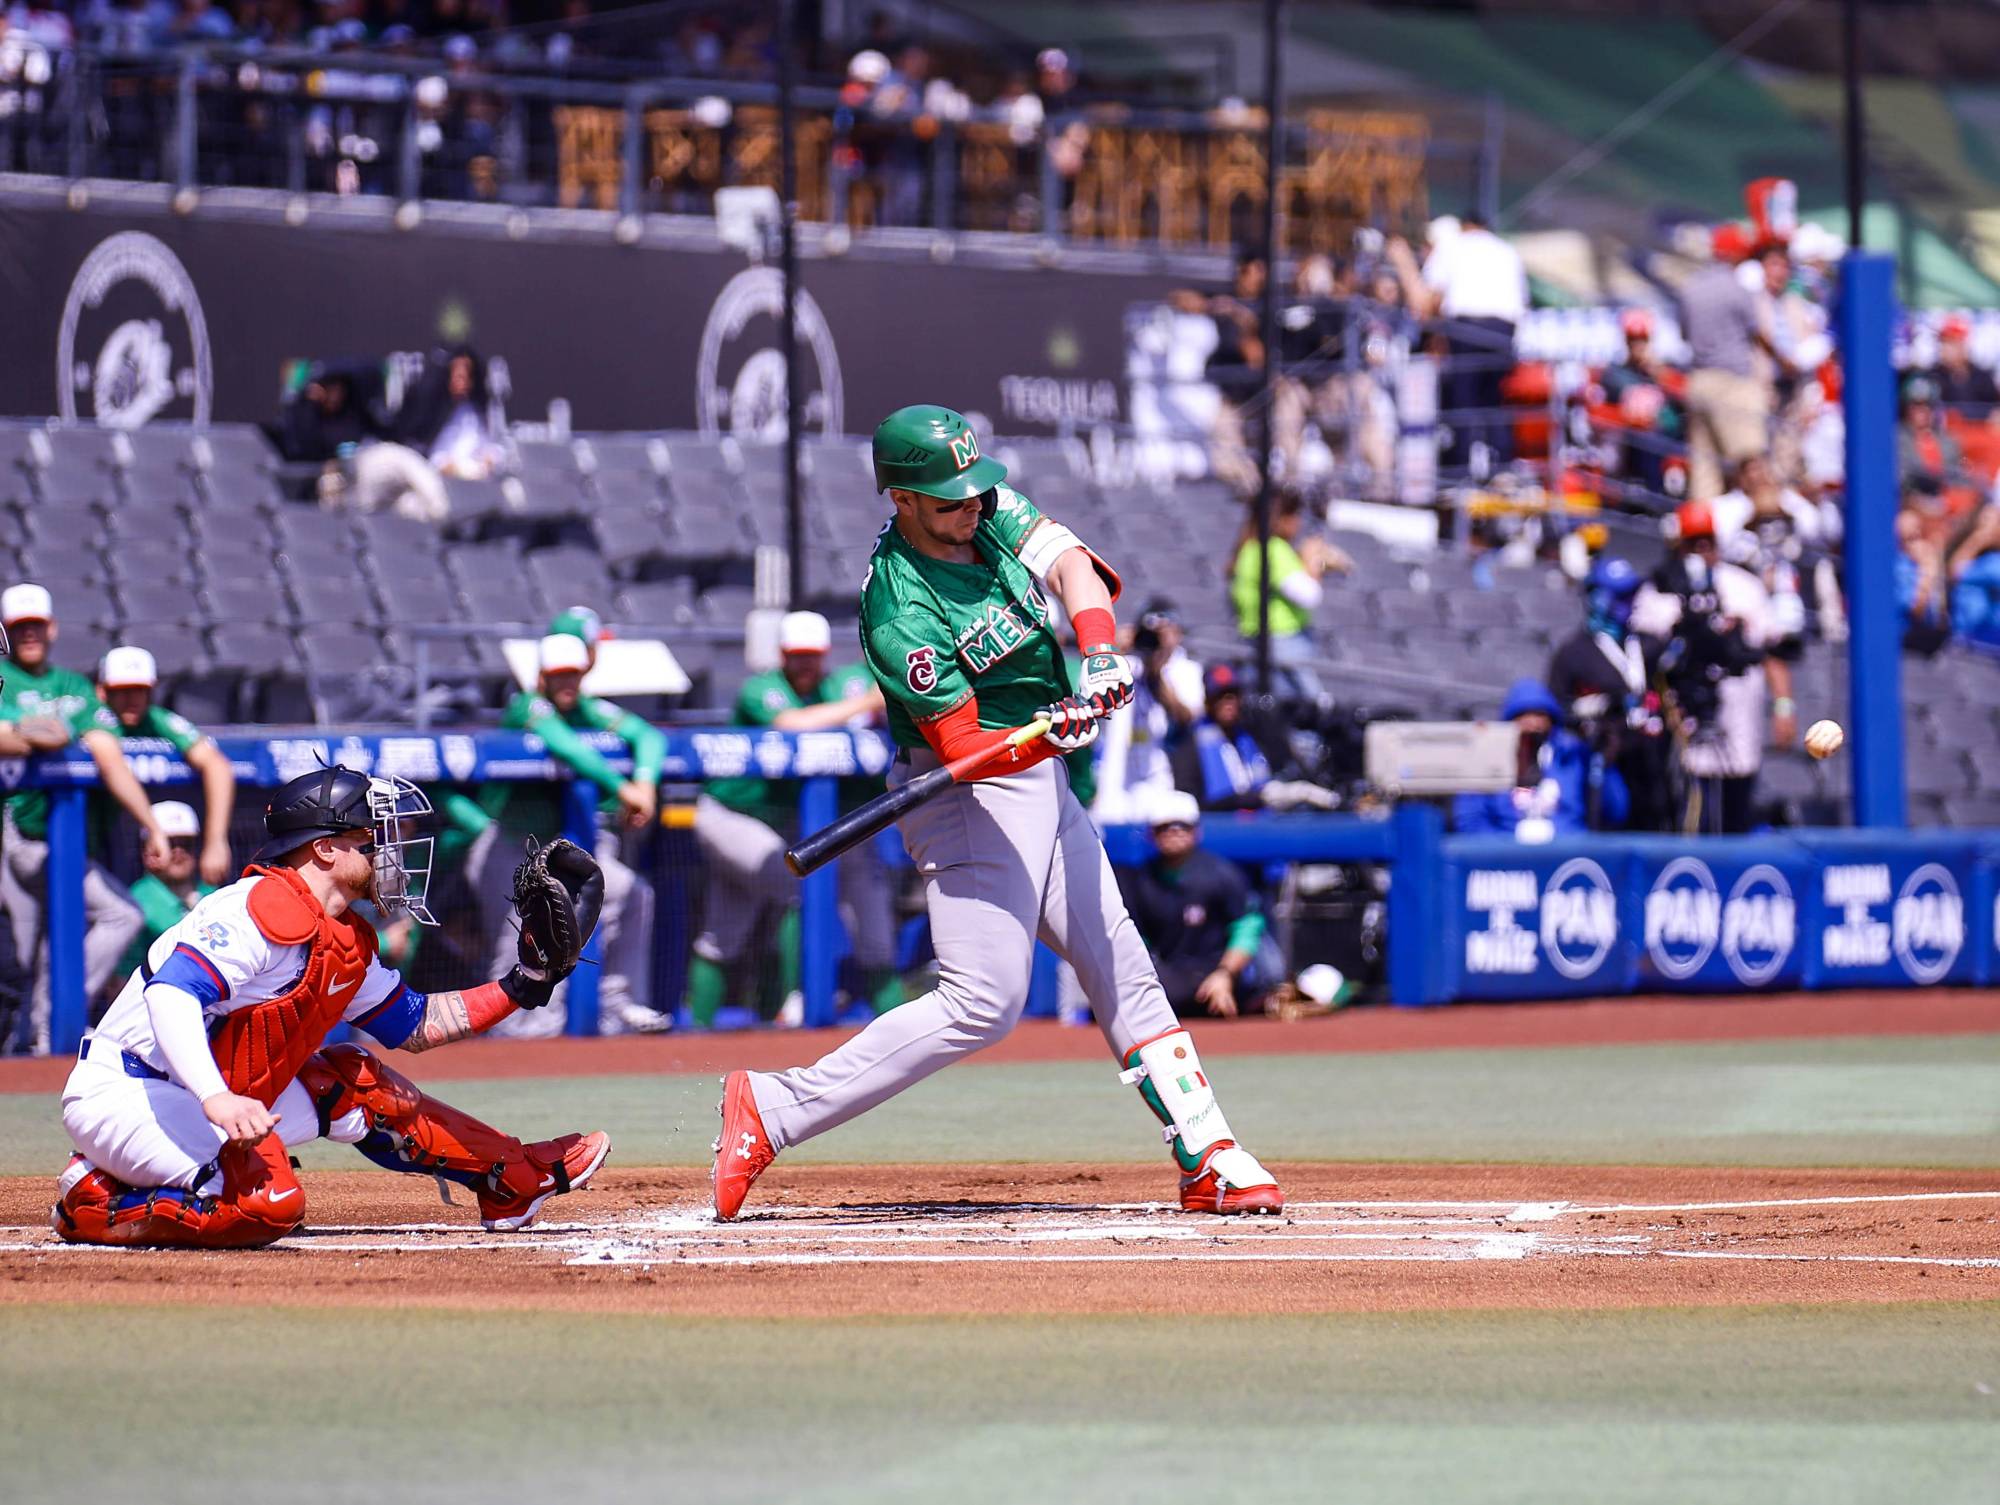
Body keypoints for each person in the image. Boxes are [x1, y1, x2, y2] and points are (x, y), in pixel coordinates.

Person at [711, 405, 1283, 1221]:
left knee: (1119, 960)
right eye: (949, 500)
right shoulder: (895, 604)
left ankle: (1208, 1150)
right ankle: (772, 1108)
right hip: (967, 790)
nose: (973, 508)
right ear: (901, 500)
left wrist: (1098, 652)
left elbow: (1073, 567)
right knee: (984, 1001)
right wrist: (1054, 726)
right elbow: (960, 743)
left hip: (1038, 766)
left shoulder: (982, 508)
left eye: (977, 491)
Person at [50, 764, 612, 1248]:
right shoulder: (254, 909)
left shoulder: (340, 936)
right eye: (373, 839)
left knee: (355, 1080)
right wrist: (215, 1098)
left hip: (206, 1101)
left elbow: (415, 1023)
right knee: (268, 1206)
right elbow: (171, 995)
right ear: (324, 848)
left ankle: (508, 1179)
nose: (390, 851)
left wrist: (524, 983)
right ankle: (94, 1201)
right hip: (128, 1095)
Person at [687, 609, 899, 1027]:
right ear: (782, 654)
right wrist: (866, 702)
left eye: (812, 655)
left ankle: (697, 1030)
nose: (805, 664)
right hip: (731, 815)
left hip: (782, 822)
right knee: (800, 888)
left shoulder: (836, 686)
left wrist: (878, 697)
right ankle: (792, 1000)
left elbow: (876, 696)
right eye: (796, 655)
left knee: (723, 932)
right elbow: (790, 725)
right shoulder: (762, 688)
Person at [0, 586, 161, 1055]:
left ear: (51, 628)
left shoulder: (71, 683)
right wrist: (44, 731)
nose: (29, 633)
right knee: (20, 961)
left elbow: (104, 748)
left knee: (47, 949)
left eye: (36, 624)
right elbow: (20, 737)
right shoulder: (4, 674)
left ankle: (43, 1039)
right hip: (20, 838)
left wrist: (150, 823)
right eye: (18, 627)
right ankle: (40, 1036)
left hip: (57, 843)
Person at [479, 633, 666, 1036]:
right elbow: (566, 746)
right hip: (507, 843)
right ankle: (508, 1032)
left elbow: (649, 736)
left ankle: (617, 1006)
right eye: (559, 674)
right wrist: (623, 788)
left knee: (633, 894)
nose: (567, 682)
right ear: (542, 675)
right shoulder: (527, 704)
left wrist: (645, 784)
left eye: (574, 674)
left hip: (552, 849)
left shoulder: (588, 708)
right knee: (519, 933)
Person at [1631, 501, 1792, 834]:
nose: (1701, 550)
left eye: (1708, 541)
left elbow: (1771, 652)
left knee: (1737, 807)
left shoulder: (1744, 586)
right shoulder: (1661, 588)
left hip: (1737, 712)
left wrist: (1784, 706)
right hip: (1684, 716)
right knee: (1688, 813)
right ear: (1679, 545)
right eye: (1693, 542)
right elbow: (1645, 652)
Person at [1390, 210, 1528, 475]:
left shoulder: (1453, 247)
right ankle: (1502, 469)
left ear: (1464, 226)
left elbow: (1426, 300)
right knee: (1495, 403)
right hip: (1504, 332)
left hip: (1466, 329)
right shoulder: (1507, 251)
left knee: (1463, 403)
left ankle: (1460, 473)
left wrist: (1403, 263)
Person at [1118, 791, 1269, 1019]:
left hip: (1215, 975)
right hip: (1165, 976)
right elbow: (1134, 938)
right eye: (1165, 827)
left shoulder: (1221, 874)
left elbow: (1247, 927)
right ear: (1152, 834)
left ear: (1196, 831)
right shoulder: (1141, 880)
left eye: (1182, 826)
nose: (1174, 832)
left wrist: (1225, 974)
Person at [97, 645, 237, 888]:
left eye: (140, 690)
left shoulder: (156, 719)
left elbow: (217, 766)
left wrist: (216, 842)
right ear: (102, 692)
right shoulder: (92, 719)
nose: (132, 698)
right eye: (122, 690)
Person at [1547, 557, 1669, 832]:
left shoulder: (1649, 645)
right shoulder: (1574, 653)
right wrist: (1599, 707)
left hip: (1651, 764)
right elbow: (1556, 710)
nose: (1631, 601)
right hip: (1603, 765)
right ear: (1599, 598)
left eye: (1632, 594)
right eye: (1622, 595)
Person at [1452, 678, 1628, 840]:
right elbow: (1469, 821)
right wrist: (1506, 850)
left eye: (1540, 715)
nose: (1533, 724)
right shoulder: (1488, 760)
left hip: (1566, 856)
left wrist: (1604, 766)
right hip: (1507, 860)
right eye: (1523, 716)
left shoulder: (1573, 756)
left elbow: (1615, 813)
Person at [1678, 251, 1790, 501]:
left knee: (1704, 471)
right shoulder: (1736, 288)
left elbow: (1684, 334)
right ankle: (1766, 527)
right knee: (1752, 464)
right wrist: (1784, 361)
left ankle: (1705, 535)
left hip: (1699, 382)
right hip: (1734, 383)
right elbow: (1757, 334)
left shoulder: (1690, 289)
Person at [1090, 597, 1202, 825]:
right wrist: (1112, 650)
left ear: (1178, 632)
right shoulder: (1128, 662)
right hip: (1116, 770)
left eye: (1164, 631)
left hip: (1159, 773)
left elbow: (1186, 716)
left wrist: (1156, 673)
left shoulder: (1187, 669)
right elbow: (1094, 694)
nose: (1156, 638)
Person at [1228, 490, 1346, 701]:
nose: (1298, 522)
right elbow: (1309, 595)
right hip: (1282, 641)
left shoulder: (1250, 549)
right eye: (1294, 515)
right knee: (1309, 704)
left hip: (1262, 640)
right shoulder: (1273, 550)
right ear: (1280, 518)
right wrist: (1313, 561)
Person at [116, 800, 216, 980]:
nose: (178, 851)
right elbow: (120, 979)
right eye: (170, 844)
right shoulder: (135, 899)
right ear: (146, 850)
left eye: (186, 843)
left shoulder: (213, 892)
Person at [1929, 316, 1997, 420]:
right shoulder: (1932, 376)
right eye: (1943, 342)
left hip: (1977, 434)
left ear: (1964, 345)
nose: (1944, 348)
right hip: (1943, 435)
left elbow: (1995, 411)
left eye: (1950, 342)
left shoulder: (1983, 377)